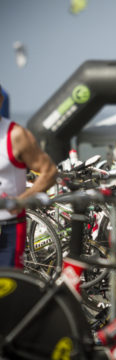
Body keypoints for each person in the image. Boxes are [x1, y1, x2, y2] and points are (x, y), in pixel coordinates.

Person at [0, 86, 57, 267]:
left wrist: (22, 200)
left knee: (7, 288)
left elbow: (49, 171)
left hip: (7, 226)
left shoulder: (15, 135)